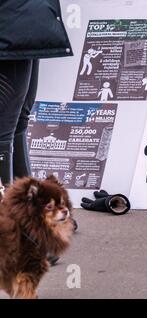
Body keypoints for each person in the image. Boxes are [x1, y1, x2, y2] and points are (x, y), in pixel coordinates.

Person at [0, 0, 73, 265]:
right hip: (14, 20)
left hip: (25, 19)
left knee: (17, 120)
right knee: (4, 129)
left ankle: (27, 223)